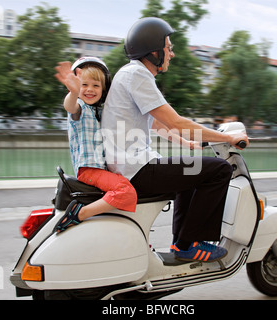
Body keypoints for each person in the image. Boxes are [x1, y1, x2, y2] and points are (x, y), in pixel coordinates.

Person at [101, 17, 249, 262]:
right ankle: (189, 244)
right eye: (169, 48)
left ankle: (182, 244)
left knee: (191, 171)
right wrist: (228, 138)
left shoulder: (131, 74)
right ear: (154, 51)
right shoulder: (137, 74)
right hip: (135, 169)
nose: (172, 54)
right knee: (220, 170)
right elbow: (176, 122)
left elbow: (157, 123)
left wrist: (189, 144)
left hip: (130, 165)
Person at [54, 57, 137, 232]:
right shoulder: (80, 108)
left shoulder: (100, 111)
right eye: (84, 85)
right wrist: (74, 92)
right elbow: (70, 107)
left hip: (99, 169)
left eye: (96, 85)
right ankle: (79, 214)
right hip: (89, 169)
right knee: (125, 191)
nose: (90, 89)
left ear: (104, 89)